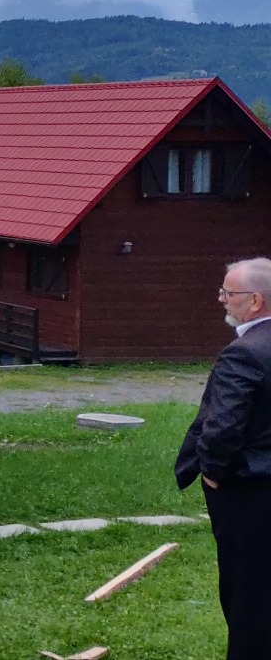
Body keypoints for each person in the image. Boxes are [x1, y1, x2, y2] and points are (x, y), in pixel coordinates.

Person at [177, 257, 271, 660]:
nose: (221, 300)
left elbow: (224, 426)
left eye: (227, 294)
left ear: (255, 301)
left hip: (250, 492)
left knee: (248, 592)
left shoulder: (245, 353)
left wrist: (212, 472)